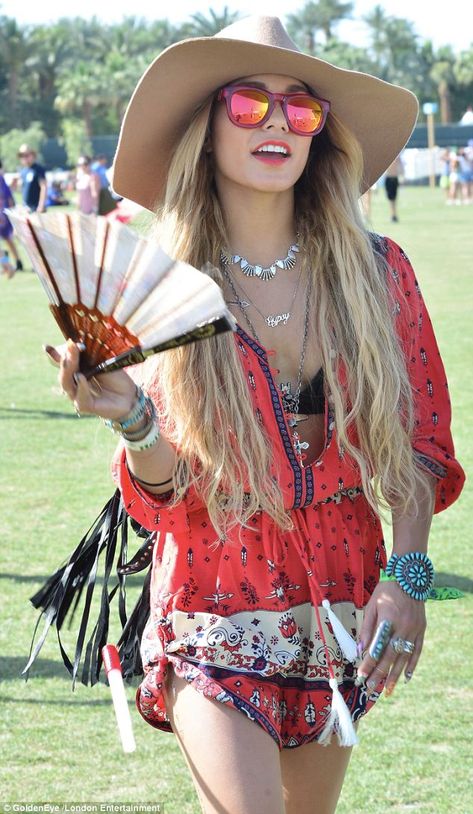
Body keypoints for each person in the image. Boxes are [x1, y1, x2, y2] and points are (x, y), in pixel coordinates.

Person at [47, 16, 464, 814]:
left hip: (339, 601)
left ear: (319, 136)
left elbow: (417, 444)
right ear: (205, 131)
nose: (276, 122)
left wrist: (407, 577)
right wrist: (133, 419)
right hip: (214, 596)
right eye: (248, 104)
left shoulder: (378, 273)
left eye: (300, 109)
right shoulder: (158, 284)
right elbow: (167, 489)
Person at [0, 159, 23, 273]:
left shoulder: (1, 179)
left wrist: (12, 212)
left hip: (3, 215)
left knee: (8, 239)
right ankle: (9, 262)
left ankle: (10, 263)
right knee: (8, 239)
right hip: (3, 214)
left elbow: (8, 197)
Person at [18, 144, 47, 213]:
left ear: (32, 155)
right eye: (22, 155)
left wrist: (41, 206)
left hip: (36, 208)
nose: (24, 157)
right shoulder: (23, 171)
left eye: (26, 155)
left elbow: (44, 187)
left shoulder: (38, 169)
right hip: (26, 209)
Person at [384, 154, 404, 221]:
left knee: (394, 198)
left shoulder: (397, 157)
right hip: (389, 178)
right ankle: (393, 215)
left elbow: (401, 168)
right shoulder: (387, 157)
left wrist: (402, 178)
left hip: (394, 178)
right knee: (390, 198)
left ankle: (394, 214)